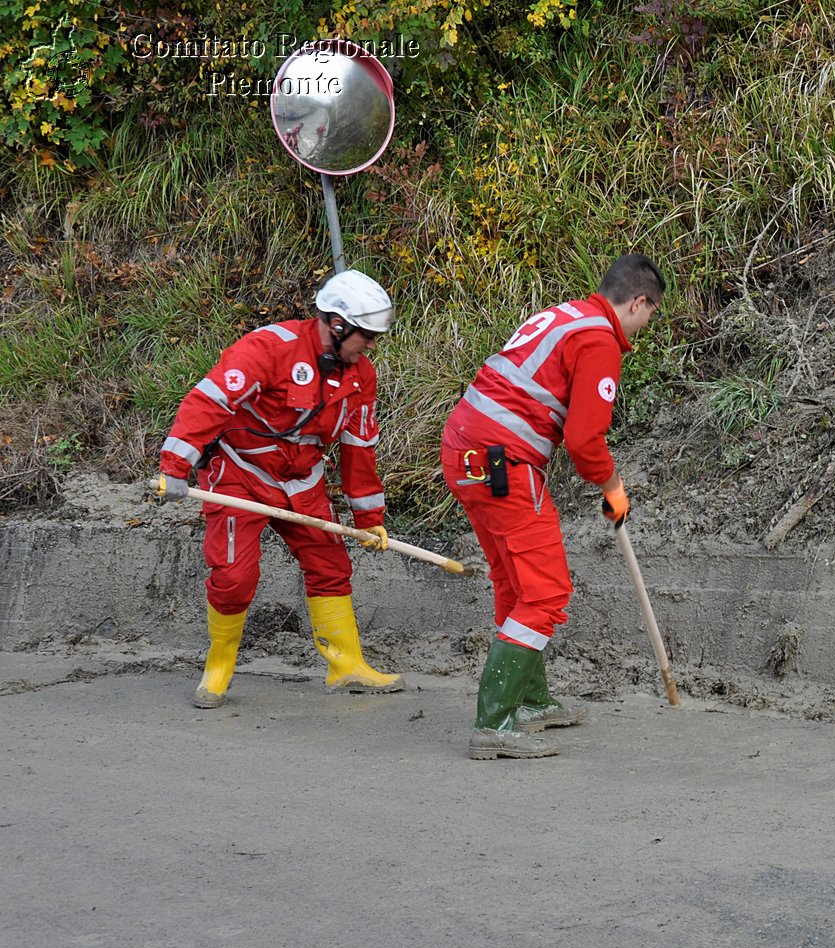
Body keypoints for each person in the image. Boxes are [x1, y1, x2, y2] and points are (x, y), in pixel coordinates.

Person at [440, 253, 665, 760]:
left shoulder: (566, 316)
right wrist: (613, 490)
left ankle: (532, 701)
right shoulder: (599, 339)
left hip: (467, 453)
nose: (648, 324)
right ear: (638, 302)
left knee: (516, 584)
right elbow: (585, 440)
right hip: (503, 465)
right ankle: (494, 723)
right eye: (652, 313)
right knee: (545, 594)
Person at [156, 270, 404, 708]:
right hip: (239, 472)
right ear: (338, 325)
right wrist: (177, 465)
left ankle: (346, 666)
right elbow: (209, 401)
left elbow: (359, 448)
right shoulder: (270, 347)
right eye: (366, 335)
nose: (371, 345)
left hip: (302, 481)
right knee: (233, 577)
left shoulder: (361, 376)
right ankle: (218, 668)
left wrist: (370, 520)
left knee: (330, 564)